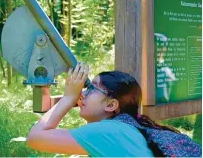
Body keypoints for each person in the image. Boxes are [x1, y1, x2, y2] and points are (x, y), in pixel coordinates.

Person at [26, 62, 180, 157]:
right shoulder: (126, 128)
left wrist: (68, 98)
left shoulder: (108, 131)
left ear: (111, 105)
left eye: (92, 88)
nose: (82, 94)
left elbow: (35, 138)